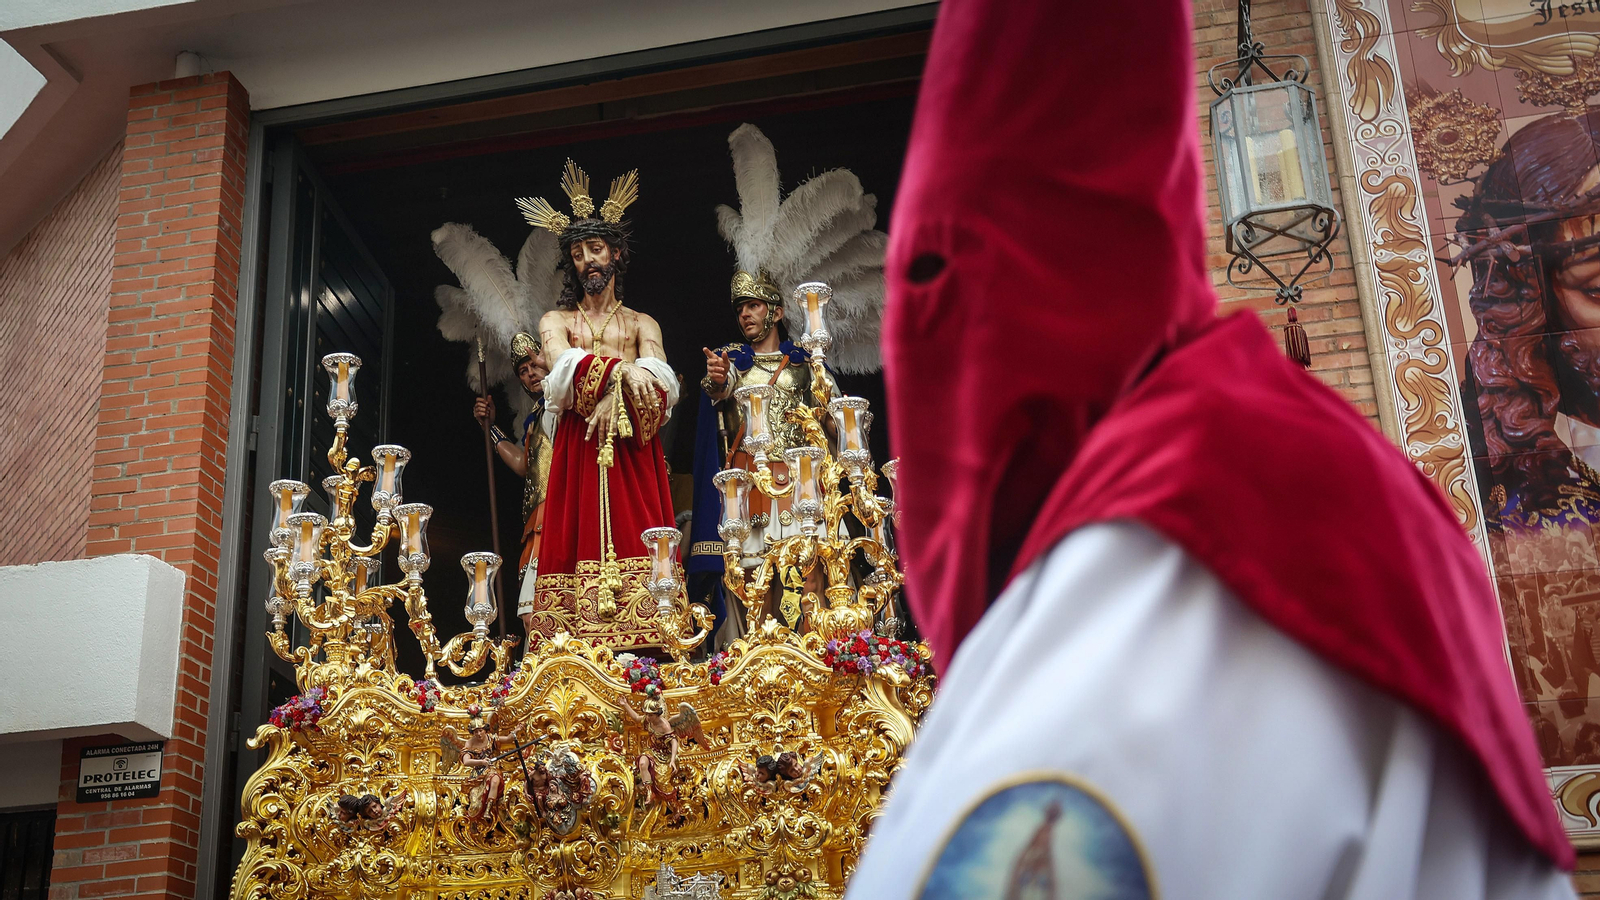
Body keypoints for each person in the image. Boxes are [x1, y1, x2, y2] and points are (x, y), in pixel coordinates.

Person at [845, 0, 1576, 897]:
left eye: (937, 274)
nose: (914, 347)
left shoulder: (1171, 546)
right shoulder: (1296, 473)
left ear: (1061, 285)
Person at [516, 160, 680, 650]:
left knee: (640, 545)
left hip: (630, 451)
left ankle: (643, 655)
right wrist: (620, 372)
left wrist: (623, 387)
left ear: (616, 254)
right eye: (578, 253)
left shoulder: (642, 323)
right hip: (577, 450)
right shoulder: (556, 319)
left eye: (596, 249)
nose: (588, 260)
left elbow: (663, 384)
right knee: (571, 545)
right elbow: (559, 371)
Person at [690, 272, 837, 636]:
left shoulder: (804, 363)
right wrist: (717, 378)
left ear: (776, 311)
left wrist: (837, 420)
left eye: (753, 306)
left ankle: (812, 656)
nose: (745, 314)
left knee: (811, 574)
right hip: (753, 485)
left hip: (801, 482)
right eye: (740, 308)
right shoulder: (736, 362)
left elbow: (836, 419)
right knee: (756, 581)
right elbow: (720, 389)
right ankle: (760, 662)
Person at [472, 332, 554, 638]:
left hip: (558, 516)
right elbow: (524, 465)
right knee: (530, 614)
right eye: (523, 370)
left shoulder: (562, 406)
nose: (530, 373)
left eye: (534, 365)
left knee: (542, 611)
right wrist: (491, 428)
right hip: (536, 520)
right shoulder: (537, 416)